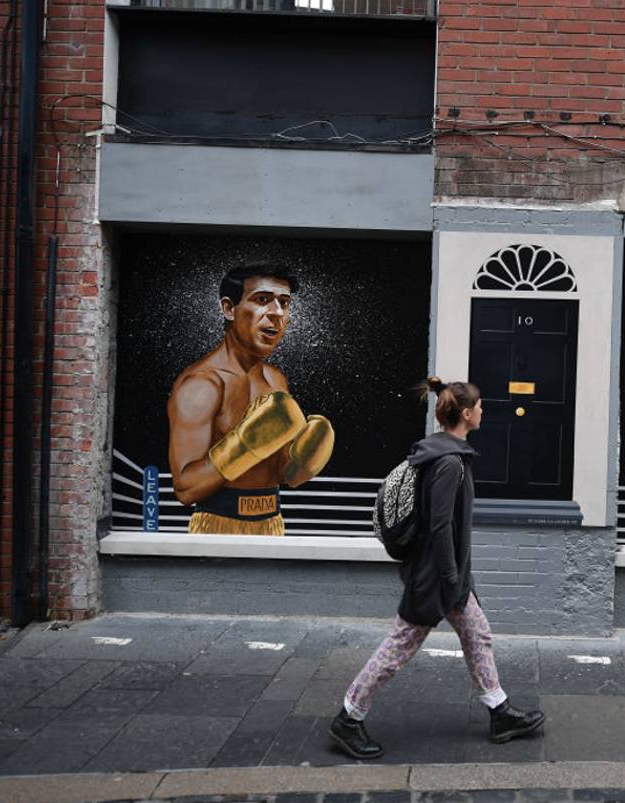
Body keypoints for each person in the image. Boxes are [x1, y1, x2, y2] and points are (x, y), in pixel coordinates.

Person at [329, 377, 545, 759]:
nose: (484, 411)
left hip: (448, 575)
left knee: (478, 634)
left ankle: (499, 712)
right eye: (480, 406)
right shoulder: (448, 462)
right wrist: (450, 577)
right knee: (397, 649)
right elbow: (440, 527)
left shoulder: (444, 453)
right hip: (436, 578)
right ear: (467, 414)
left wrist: (458, 577)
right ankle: (349, 717)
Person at [166, 263, 335, 536]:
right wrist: (243, 446)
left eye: (284, 303)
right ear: (229, 309)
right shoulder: (202, 384)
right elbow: (185, 489)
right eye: (262, 299)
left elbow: (280, 474)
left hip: (273, 524)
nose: (277, 312)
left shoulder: (276, 381)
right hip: (217, 527)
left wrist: (303, 462)